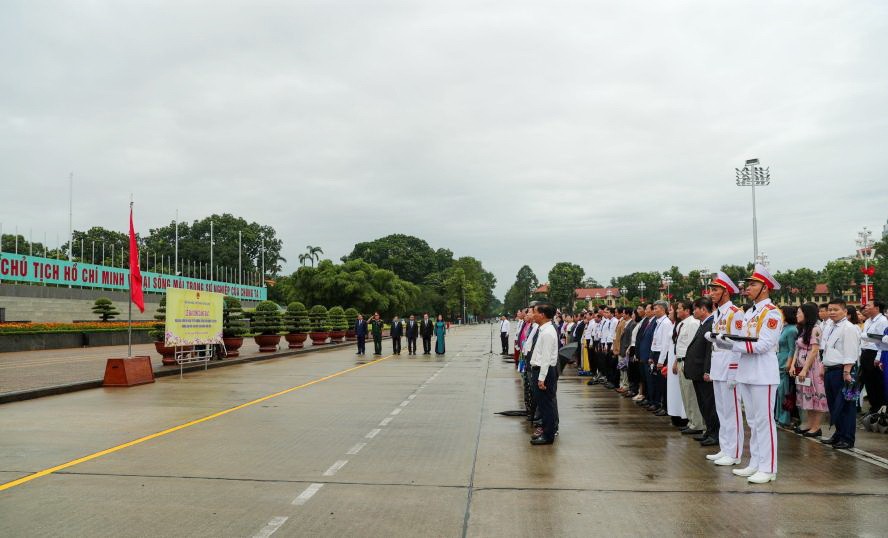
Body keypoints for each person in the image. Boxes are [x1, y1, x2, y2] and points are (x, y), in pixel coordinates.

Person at [714, 263, 784, 484]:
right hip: (746, 371)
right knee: (753, 421)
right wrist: (724, 342)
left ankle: (768, 467)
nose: (748, 288)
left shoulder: (772, 312)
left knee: (764, 421)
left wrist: (731, 345)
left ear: (765, 288)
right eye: (748, 284)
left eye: (753, 284)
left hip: (763, 373)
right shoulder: (750, 312)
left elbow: (763, 345)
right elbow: (744, 340)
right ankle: (756, 462)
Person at [702, 271, 745, 467]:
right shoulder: (719, 313)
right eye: (711, 290)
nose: (711, 293)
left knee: (731, 411)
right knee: (722, 410)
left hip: (729, 365)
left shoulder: (735, 313)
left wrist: (734, 371)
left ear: (725, 292)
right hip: (718, 364)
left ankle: (734, 453)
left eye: (715, 290)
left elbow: (737, 344)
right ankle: (725, 447)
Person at [819, 298, 861, 450]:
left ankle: (847, 438)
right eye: (830, 309)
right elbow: (826, 348)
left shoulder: (848, 328)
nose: (831, 312)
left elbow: (851, 351)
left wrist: (847, 371)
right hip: (830, 370)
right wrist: (823, 366)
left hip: (843, 371)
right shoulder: (830, 326)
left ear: (845, 311)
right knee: (833, 405)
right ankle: (839, 434)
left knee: (845, 406)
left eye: (835, 310)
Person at [684, 297, 719, 446]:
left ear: (703, 309)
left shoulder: (711, 324)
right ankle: (709, 431)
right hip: (697, 371)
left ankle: (715, 434)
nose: (693, 312)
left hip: (703, 372)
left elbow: (709, 350)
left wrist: (707, 370)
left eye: (695, 309)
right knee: (703, 404)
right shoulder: (704, 323)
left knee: (709, 404)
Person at [788, 302, 825, 436]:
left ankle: (816, 427)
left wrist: (805, 369)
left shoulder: (816, 329)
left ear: (807, 314)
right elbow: (797, 348)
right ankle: (809, 424)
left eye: (799, 312)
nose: (797, 315)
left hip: (812, 367)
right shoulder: (803, 329)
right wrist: (793, 365)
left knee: (815, 394)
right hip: (801, 366)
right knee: (806, 395)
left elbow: (814, 350)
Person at [529, 303, 559, 445]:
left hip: (544, 371)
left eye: (535, 312)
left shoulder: (547, 332)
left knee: (546, 405)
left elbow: (546, 358)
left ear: (542, 315)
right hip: (541, 370)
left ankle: (548, 435)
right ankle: (546, 431)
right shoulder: (544, 330)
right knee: (543, 404)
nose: (533, 314)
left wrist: (541, 378)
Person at [673, 300, 703, 434]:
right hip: (681, 360)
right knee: (685, 394)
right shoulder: (683, 324)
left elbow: (693, 347)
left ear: (687, 310)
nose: (676, 310)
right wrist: (676, 362)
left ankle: (697, 424)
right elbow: (680, 346)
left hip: (687, 362)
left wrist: (687, 364)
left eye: (679, 308)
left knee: (691, 394)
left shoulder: (692, 323)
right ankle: (691, 421)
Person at [860, 300, 887, 415]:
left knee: (877, 382)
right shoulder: (868, 321)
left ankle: (880, 409)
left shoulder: (882, 321)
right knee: (868, 382)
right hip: (865, 353)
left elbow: (883, 341)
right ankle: (873, 407)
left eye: (868, 305)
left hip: (875, 353)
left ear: (877, 308)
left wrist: (878, 357)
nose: (865, 307)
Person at [775, 306, 798, 428]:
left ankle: (784, 418)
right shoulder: (784, 328)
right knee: (779, 391)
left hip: (785, 361)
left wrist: (788, 363)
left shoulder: (792, 330)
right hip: (779, 359)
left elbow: (792, 349)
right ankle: (778, 416)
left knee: (784, 391)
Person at [650, 300, 674, 415]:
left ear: (663, 309)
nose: (654, 311)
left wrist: (661, 361)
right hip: (656, 353)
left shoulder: (666, 323)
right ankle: (659, 404)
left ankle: (665, 407)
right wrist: (651, 355)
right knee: (657, 381)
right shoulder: (659, 322)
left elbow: (665, 344)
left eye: (656, 308)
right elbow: (655, 339)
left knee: (663, 383)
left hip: (662, 355)